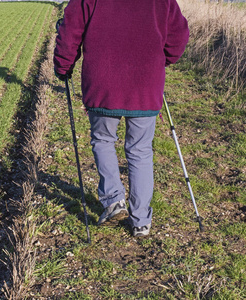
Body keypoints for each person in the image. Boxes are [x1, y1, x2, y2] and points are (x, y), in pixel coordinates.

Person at [53, 0, 189, 237]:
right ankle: (141, 221)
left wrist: (63, 66)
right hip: (145, 83)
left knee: (103, 140)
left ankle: (114, 200)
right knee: (140, 150)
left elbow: (70, 30)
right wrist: (162, 60)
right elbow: (178, 36)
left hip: (103, 84)